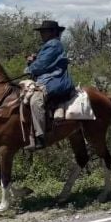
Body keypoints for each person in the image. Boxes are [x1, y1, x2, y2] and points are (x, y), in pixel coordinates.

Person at [24, 20, 75, 151]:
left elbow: (41, 65)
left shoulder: (53, 44)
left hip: (55, 80)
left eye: (44, 31)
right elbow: (44, 62)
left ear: (53, 32)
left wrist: (29, 67)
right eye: (41, 32)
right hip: (48, 78)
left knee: (36, 100)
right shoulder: (50, 45)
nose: (41, 34)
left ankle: (40, 137)